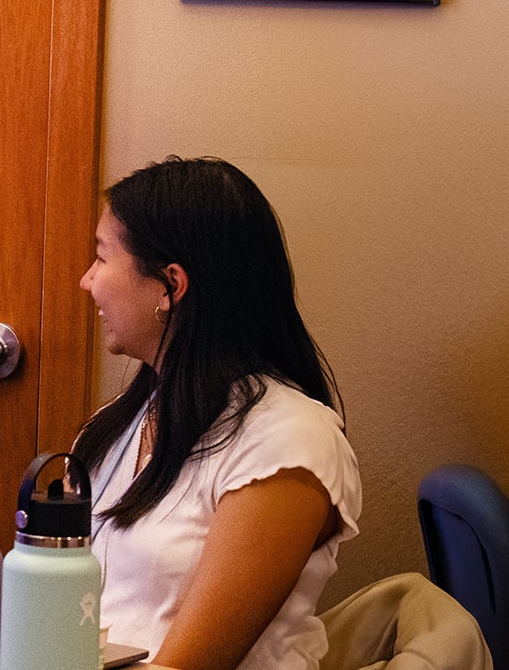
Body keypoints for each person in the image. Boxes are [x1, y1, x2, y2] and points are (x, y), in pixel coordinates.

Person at [74, 156, 361, 669]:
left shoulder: (289, 441)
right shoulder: (116, 426)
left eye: (101, 258)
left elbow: (188, 665)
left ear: (171, 286)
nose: (87, 281)